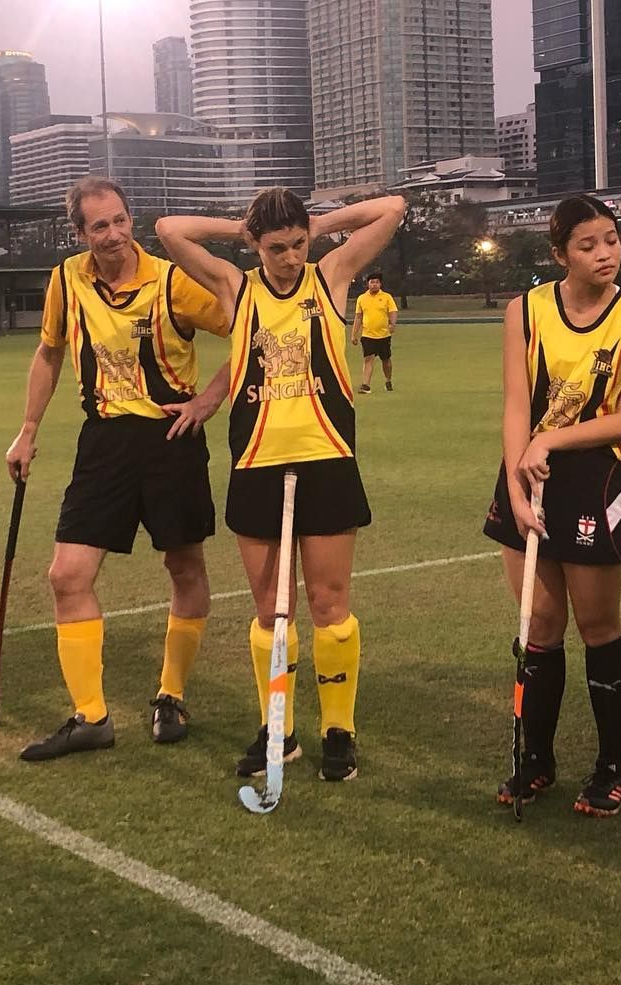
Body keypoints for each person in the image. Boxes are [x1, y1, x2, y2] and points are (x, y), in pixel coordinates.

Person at [156, 188, 407, 783]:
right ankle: (280, 728)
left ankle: (338, 730)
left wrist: (319, 224)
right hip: (258, 464)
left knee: (328, 602)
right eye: (277, 247)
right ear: (256, 245)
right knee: (272, 609)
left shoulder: (332, 274)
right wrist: (241, 228)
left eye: (298, 244)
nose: (291, 257)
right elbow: (169, 228)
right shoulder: (234, 287)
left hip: (327, 458)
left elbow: (392, 209)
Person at [6, 177, 229, 762]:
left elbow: (253, 327)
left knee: (184, 567)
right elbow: (49, 352)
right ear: (80, 233)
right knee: (66, 575)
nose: (114, 234)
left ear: (133, 220)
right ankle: (91, 717)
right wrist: (28, 431)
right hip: (102, 440)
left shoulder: (172, 281)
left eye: (121, 220)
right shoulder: (66, 279)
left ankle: (171, 695)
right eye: (99, 226)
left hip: (170, 438)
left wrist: (208, 400)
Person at [483, 195, 621, 817]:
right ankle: (536, 762)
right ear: (560, 254)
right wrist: (513, 481)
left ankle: (614, 766)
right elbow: (514, 402)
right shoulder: (525, 310)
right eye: (587, 245)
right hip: (525, 474)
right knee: (538, 626)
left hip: (592, 475)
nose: (605, 254)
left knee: (598, 627)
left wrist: (549, 439)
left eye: (611, 240)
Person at [351, 271, 398, 393]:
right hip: (367, 335)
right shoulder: (361, 299)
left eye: (377, 282)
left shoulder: (387, 297)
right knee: (368, 359)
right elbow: (358, 317)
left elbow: (392, 312)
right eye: (372, 282)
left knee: (386, 360)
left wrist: (392, 324)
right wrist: (354, 334)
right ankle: (366, 385)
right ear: (368, 284)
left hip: (383, 335)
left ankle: (388, 380)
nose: (374, 285)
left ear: (380, 284)